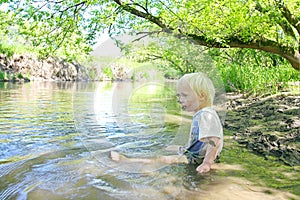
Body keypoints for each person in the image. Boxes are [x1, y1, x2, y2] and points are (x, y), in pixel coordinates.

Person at [110, 72, 223, 173]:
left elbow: (214, 140)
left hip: (196, 159)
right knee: (170, 148)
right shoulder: (203, 113)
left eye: (184, 95)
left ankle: (128, 161)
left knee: (162, 159)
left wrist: (207, 163)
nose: (180, 99)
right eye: (179, 95)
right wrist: (183, 149)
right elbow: (202, 141)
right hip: (196, 154)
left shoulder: (206, 115)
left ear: (201, 96)